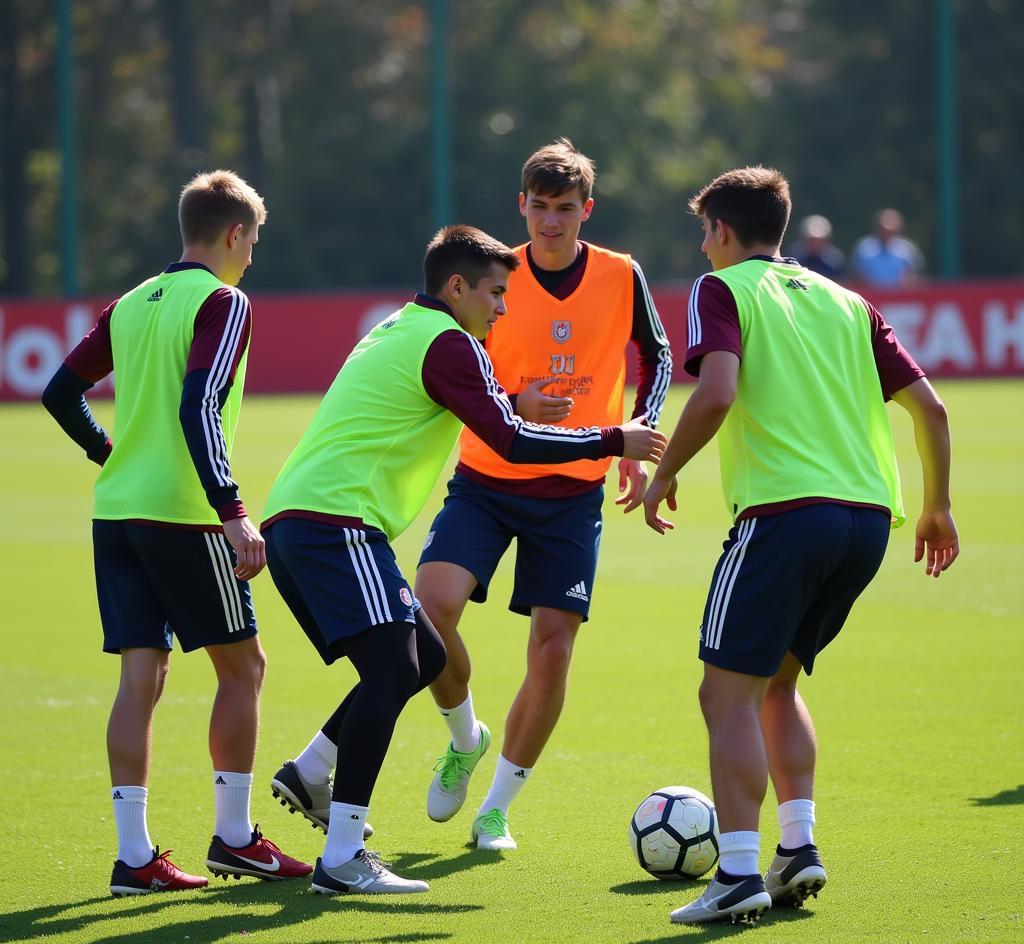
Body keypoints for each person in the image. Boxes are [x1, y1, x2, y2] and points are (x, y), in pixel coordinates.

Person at [263, 224, 665, 895]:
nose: (504, 309)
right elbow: (507, 442)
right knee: (396, 670)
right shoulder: (451, 341)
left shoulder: (408, 327)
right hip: (336, 522)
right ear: (458, 287)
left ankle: (313, 770)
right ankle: (341, 859)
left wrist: (511, 401)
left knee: (419, 656)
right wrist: (612, 438)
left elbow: (470, 406)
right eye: (495, 294)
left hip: (307, 520)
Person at [641, 166, 958, 925]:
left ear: (719, 230)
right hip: (865, 523)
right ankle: (798, 849)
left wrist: (665, 472)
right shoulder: (850, 301)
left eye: (704, 232)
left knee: (724, 696)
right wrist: (937, 507)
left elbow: (716, 392)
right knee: (775, 685)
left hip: (784, 516)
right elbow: (932, 409)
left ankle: (739, 873)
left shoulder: (722, 290)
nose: (703, 247)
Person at [41, 170, 312, 896]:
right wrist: (233, 511)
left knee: (141, 676)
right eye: (252, 238)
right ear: (232, 234)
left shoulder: (130, 302)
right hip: (183, 514)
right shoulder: (224, 301)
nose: (253, 253)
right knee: (244, 668)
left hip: (117, 512)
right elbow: (201, 408)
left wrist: (111, 454)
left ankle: (135, 857)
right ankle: (236, 840)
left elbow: (59, 391)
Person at [407, 137, 672, 852]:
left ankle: (495, 809)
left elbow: (660, 352)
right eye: (539, 207)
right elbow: (459, 361)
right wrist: (511, 398)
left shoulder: (622, 274)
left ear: (588, 210)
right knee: (428, 613)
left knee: (552, 653)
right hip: (487, 478)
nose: (551, 223)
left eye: (565, 209)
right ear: (520, 205)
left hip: (573, 491)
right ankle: (465, 737)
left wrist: (638, 436)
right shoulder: (494, 273)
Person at [850, 208, 925, 288]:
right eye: (883, 231)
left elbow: (916, 275)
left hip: (899, 297)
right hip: (870, 296)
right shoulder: (864, 248)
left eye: (890, 232)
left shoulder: (907, 249)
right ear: (877, 228)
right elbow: (856, 275)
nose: (886, 235)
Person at [786, 214, 845, 281]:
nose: (815, 244)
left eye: (820, 240)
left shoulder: (834, 261)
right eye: (812, 240)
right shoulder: (795, 257)